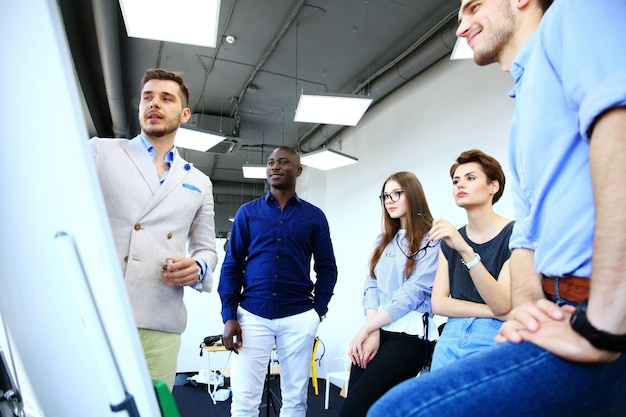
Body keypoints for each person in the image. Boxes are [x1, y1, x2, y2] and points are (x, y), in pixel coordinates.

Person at [367, 0, 626, 415]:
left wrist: (606, 326)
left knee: (397, 410)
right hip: (552, 306)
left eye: (472, 8)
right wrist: (526, 317)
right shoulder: (526, 101)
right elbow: (529, 233)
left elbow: (620, 136)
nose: (460, 27)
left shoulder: (575, 12)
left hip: (597, 313)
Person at [89, 68, 218, 391]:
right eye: (147, 97)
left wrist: (198, 267)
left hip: (162, 316)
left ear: (184, 113)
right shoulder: (101, 153)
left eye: (166, 98)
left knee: (155, 408)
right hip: (102, 310)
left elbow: (206, 249)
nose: (154, 104)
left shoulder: (198, 182)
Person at [218, 146, 338, 417]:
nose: (274, 166)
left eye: (283, 162)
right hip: (252, 315)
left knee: (295, 400)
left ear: (297, 171)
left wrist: (317, 311)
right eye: (271, 162)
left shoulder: (314, 216)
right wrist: (229, 315)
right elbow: (232, 266)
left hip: (298, 315)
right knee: (244, 401)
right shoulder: (248, 213)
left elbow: (327, 268)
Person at [339, 172, 439, 417]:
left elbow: (412, 293)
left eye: (397, 193)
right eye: (385, 196)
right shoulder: (383, 240)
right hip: (380, 330)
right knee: (357, 410)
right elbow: (371, 286)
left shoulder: (432, 240)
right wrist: (372, 331)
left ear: (412, 195)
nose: (389, 200)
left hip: (409, 336)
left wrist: (366, 329)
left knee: (356, 411)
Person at [428, 149, 513, 370]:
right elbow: (438, 303)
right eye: (456, 181)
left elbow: (501, 302)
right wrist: (491, 311)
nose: (460, 185)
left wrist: (466, 250)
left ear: (493, 186)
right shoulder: (450, 239)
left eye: (470, 178)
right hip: (451, 334)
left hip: (493, 334)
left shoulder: (514, 234)